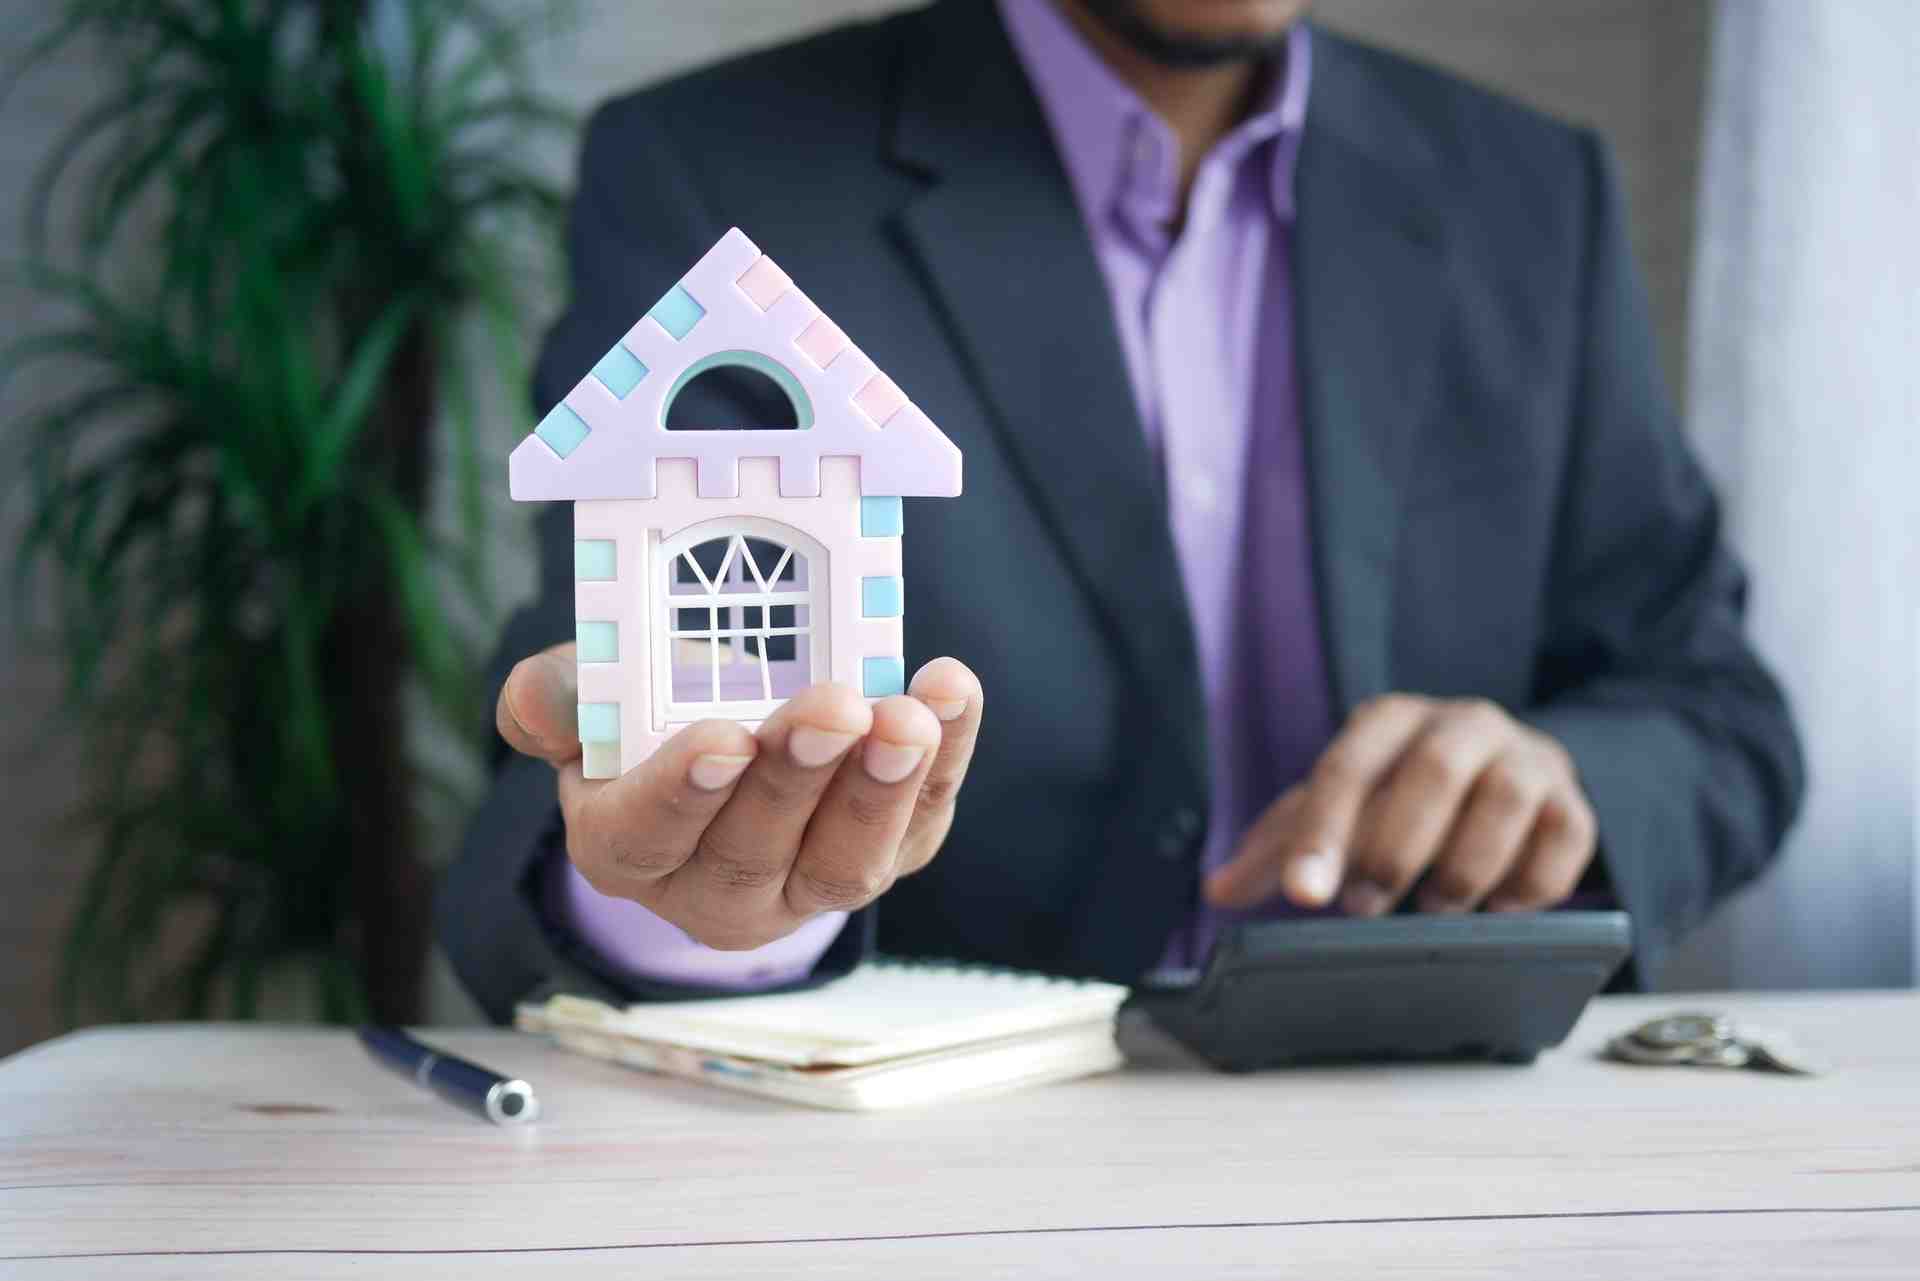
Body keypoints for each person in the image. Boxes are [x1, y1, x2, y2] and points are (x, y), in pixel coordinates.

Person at [437, 0, 1803, 1022]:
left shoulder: (1534, 195)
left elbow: (1718, 712)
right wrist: (696, 904)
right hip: (931, 1185)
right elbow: (596, 731)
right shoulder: (713, 172)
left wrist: (1565, 784)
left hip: (1443, 1144)